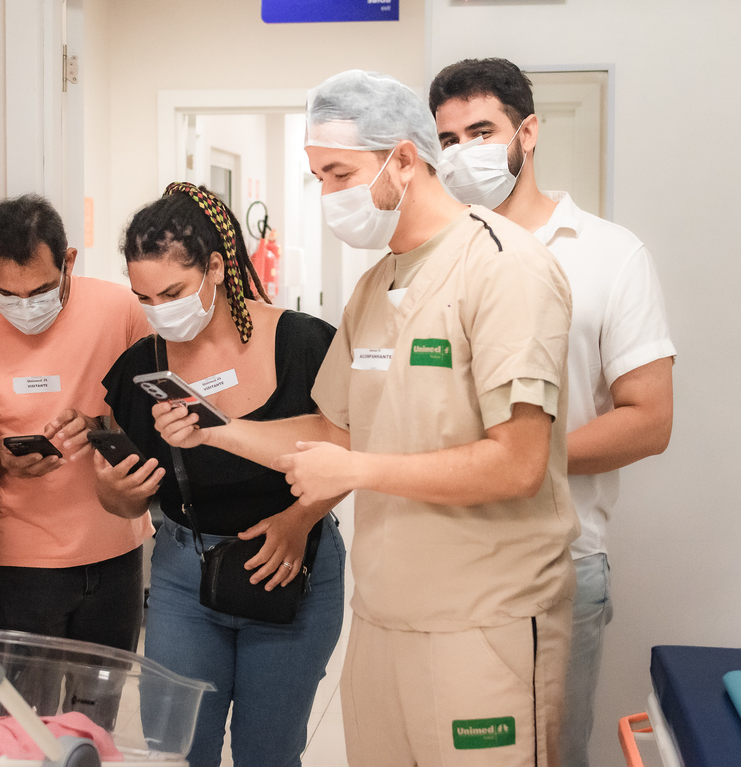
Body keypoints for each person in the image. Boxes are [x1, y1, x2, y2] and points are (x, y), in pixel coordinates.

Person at [155, 71, 578, 767]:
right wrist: (213, 428)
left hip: (485, 621)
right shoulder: (376, 286)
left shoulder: (504, 268)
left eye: (339, 174)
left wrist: (359, 470)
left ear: (405, 160)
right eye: (318, 176)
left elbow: (518, 461)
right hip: (384, 618)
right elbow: (332, 433)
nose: (328, 195)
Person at [430, 57, 676, 767]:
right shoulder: (431, 259)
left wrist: (519, 459)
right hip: (446, 555)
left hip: (559, 559)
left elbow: (649, 417)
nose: (464, 152)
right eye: (447, 140)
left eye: (481, 131)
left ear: (528, 132)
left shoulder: (607, 255)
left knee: (549, 754)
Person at [88, 182, 345, 767]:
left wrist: (299, 518)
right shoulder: (140, 367)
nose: (158, 311)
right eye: (144, 297)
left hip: (293, 566)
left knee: (269, 751)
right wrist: (114, 494)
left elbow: (348, 448)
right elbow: (125, 497)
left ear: (216, 267)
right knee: (177, 749)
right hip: (184, 572)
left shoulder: (303, 343)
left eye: (172, 292)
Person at [0, 195, 153, 661]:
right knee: (27, 715)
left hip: (116, 547)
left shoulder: (123, 312)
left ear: (68, 261)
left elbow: (153, 420)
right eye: (6, 294)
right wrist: (1, 459)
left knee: (97, 708)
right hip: (23, 560)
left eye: (40, 291)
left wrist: (100, 426)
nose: (24, 307)